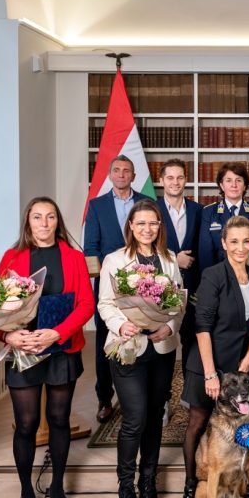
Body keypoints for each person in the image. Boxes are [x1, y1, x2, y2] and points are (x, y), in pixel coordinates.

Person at [0, 197, 94, 498]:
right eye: (37, 217)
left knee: (59, 420)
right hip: (23, 349)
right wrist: (8, 335)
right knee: (25, 424)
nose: (44, 223)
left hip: (61, 349)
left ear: (57, 222)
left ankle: (57, 487)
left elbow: (86, 304)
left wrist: (58, 333)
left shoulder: (74, 257)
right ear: (28, 222)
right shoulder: (12, 257)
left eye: (50, 217)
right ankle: (27, 491)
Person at [98, 199, 184, 498]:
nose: (147, 229)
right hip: (128, 345)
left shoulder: (169, 259)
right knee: (134, 418)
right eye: (141, 223)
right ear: (131, 227)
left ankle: (148, 485)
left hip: (161, 347)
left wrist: (169, 326)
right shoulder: (115, 260)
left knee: (154, 415)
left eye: (153, 223)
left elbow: (179, 302)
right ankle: (126, 490)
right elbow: (105, 303)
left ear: (160, 226)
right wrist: (122, 325)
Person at [179, 215, 249, 498]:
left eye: (246, 241)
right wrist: (210, 374)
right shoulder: (214, 275)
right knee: (198, 423)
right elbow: (202, 326)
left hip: (239, 368)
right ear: (224, 244)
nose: (240, 247)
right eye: (234, 241)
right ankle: (191, 489)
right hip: (207, 363)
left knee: (244, 424)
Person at [84, 155, 152, 423]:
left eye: (127, 171)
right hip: (109, 285)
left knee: (144, 335)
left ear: (134, 176)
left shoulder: (147, 203)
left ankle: (139, 395)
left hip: (145, 283)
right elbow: (91, 249)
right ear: (110, 175)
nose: (122, 174)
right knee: (106, 340)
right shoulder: (97, 206)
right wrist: (109, 279)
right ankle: (104, 398)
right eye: (117, 170)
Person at [155, 159, 203, 382]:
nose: (175, 182)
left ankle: (189, 392)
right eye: (170, 177)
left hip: (193, 287)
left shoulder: (198, 210)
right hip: (161, 288)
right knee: (164, 343)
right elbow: (145, 248)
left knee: (191, 342)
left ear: (186, 180)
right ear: (161, 180)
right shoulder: (151, 210)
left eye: (180, 177)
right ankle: (162, 396)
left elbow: (203, 249)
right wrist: (175, 259)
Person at [198, 163, 249, 274]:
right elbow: (205, 253)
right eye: (229, 180)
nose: (234, 185)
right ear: (222, 185)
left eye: (238, 180)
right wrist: (217, 276)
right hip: (219, 277)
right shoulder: (209, 212)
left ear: (245, 185)